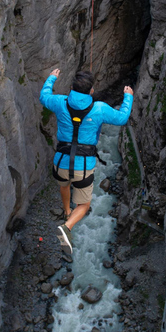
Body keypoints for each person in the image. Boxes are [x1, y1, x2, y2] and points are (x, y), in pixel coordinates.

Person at [39, 69, 134, 255]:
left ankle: (66, 210)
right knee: (84, 205)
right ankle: (67, 226)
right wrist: (128, 96)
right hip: (83, 165)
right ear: (91, 90)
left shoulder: (60, 102)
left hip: (61, 161)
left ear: (72, 87)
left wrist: (51, 78)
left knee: (64, 184)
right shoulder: (99, 109)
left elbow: (44, 96)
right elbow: (122, 118)